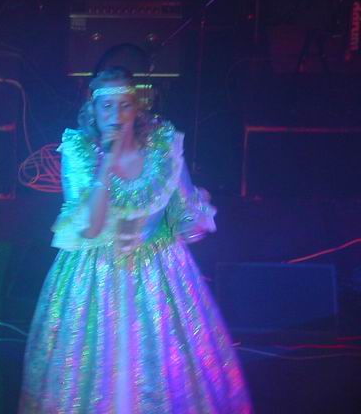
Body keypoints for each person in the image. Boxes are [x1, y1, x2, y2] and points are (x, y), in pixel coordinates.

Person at [19, 67, 252, 413]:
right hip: (93, 273)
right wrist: (106, 163)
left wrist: (187, 220)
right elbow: (91, 228)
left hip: (158, 272)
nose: (115, 115)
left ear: (136, 109)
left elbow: (186, 215)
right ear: (93, 111)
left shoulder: (162, 148)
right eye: (106, 106)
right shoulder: (79, 153)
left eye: (124, 105)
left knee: (164, 369)